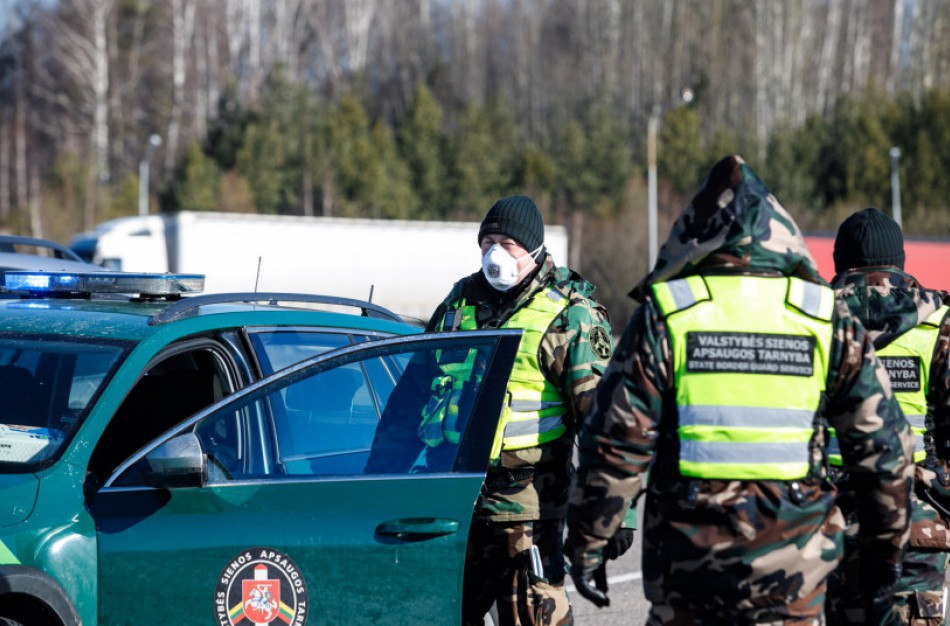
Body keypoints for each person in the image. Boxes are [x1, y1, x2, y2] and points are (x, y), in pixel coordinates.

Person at [565, 155, 915, 624]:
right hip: (794, 578)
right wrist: (884, 559)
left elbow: (613, 443)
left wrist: (588, 543)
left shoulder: (667, 314)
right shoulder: (823, 317)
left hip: (688, 578)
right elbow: (884, 452)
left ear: (695, 237)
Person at [426, 194, 615, 626]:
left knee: (533, 616)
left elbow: (602, 424)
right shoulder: (460, 303)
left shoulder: (570, 314)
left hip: (529, 510)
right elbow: (416, 389)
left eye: (507, 243)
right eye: (487, 240)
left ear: (533, 249)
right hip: (456, 506)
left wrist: (617, 513)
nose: (495, 253)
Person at [825, 208, 950, 625]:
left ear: (840, 263)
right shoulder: (938, 326)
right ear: (898, 264)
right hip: (917, 529)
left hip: (831, 525)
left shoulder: (809, 322)